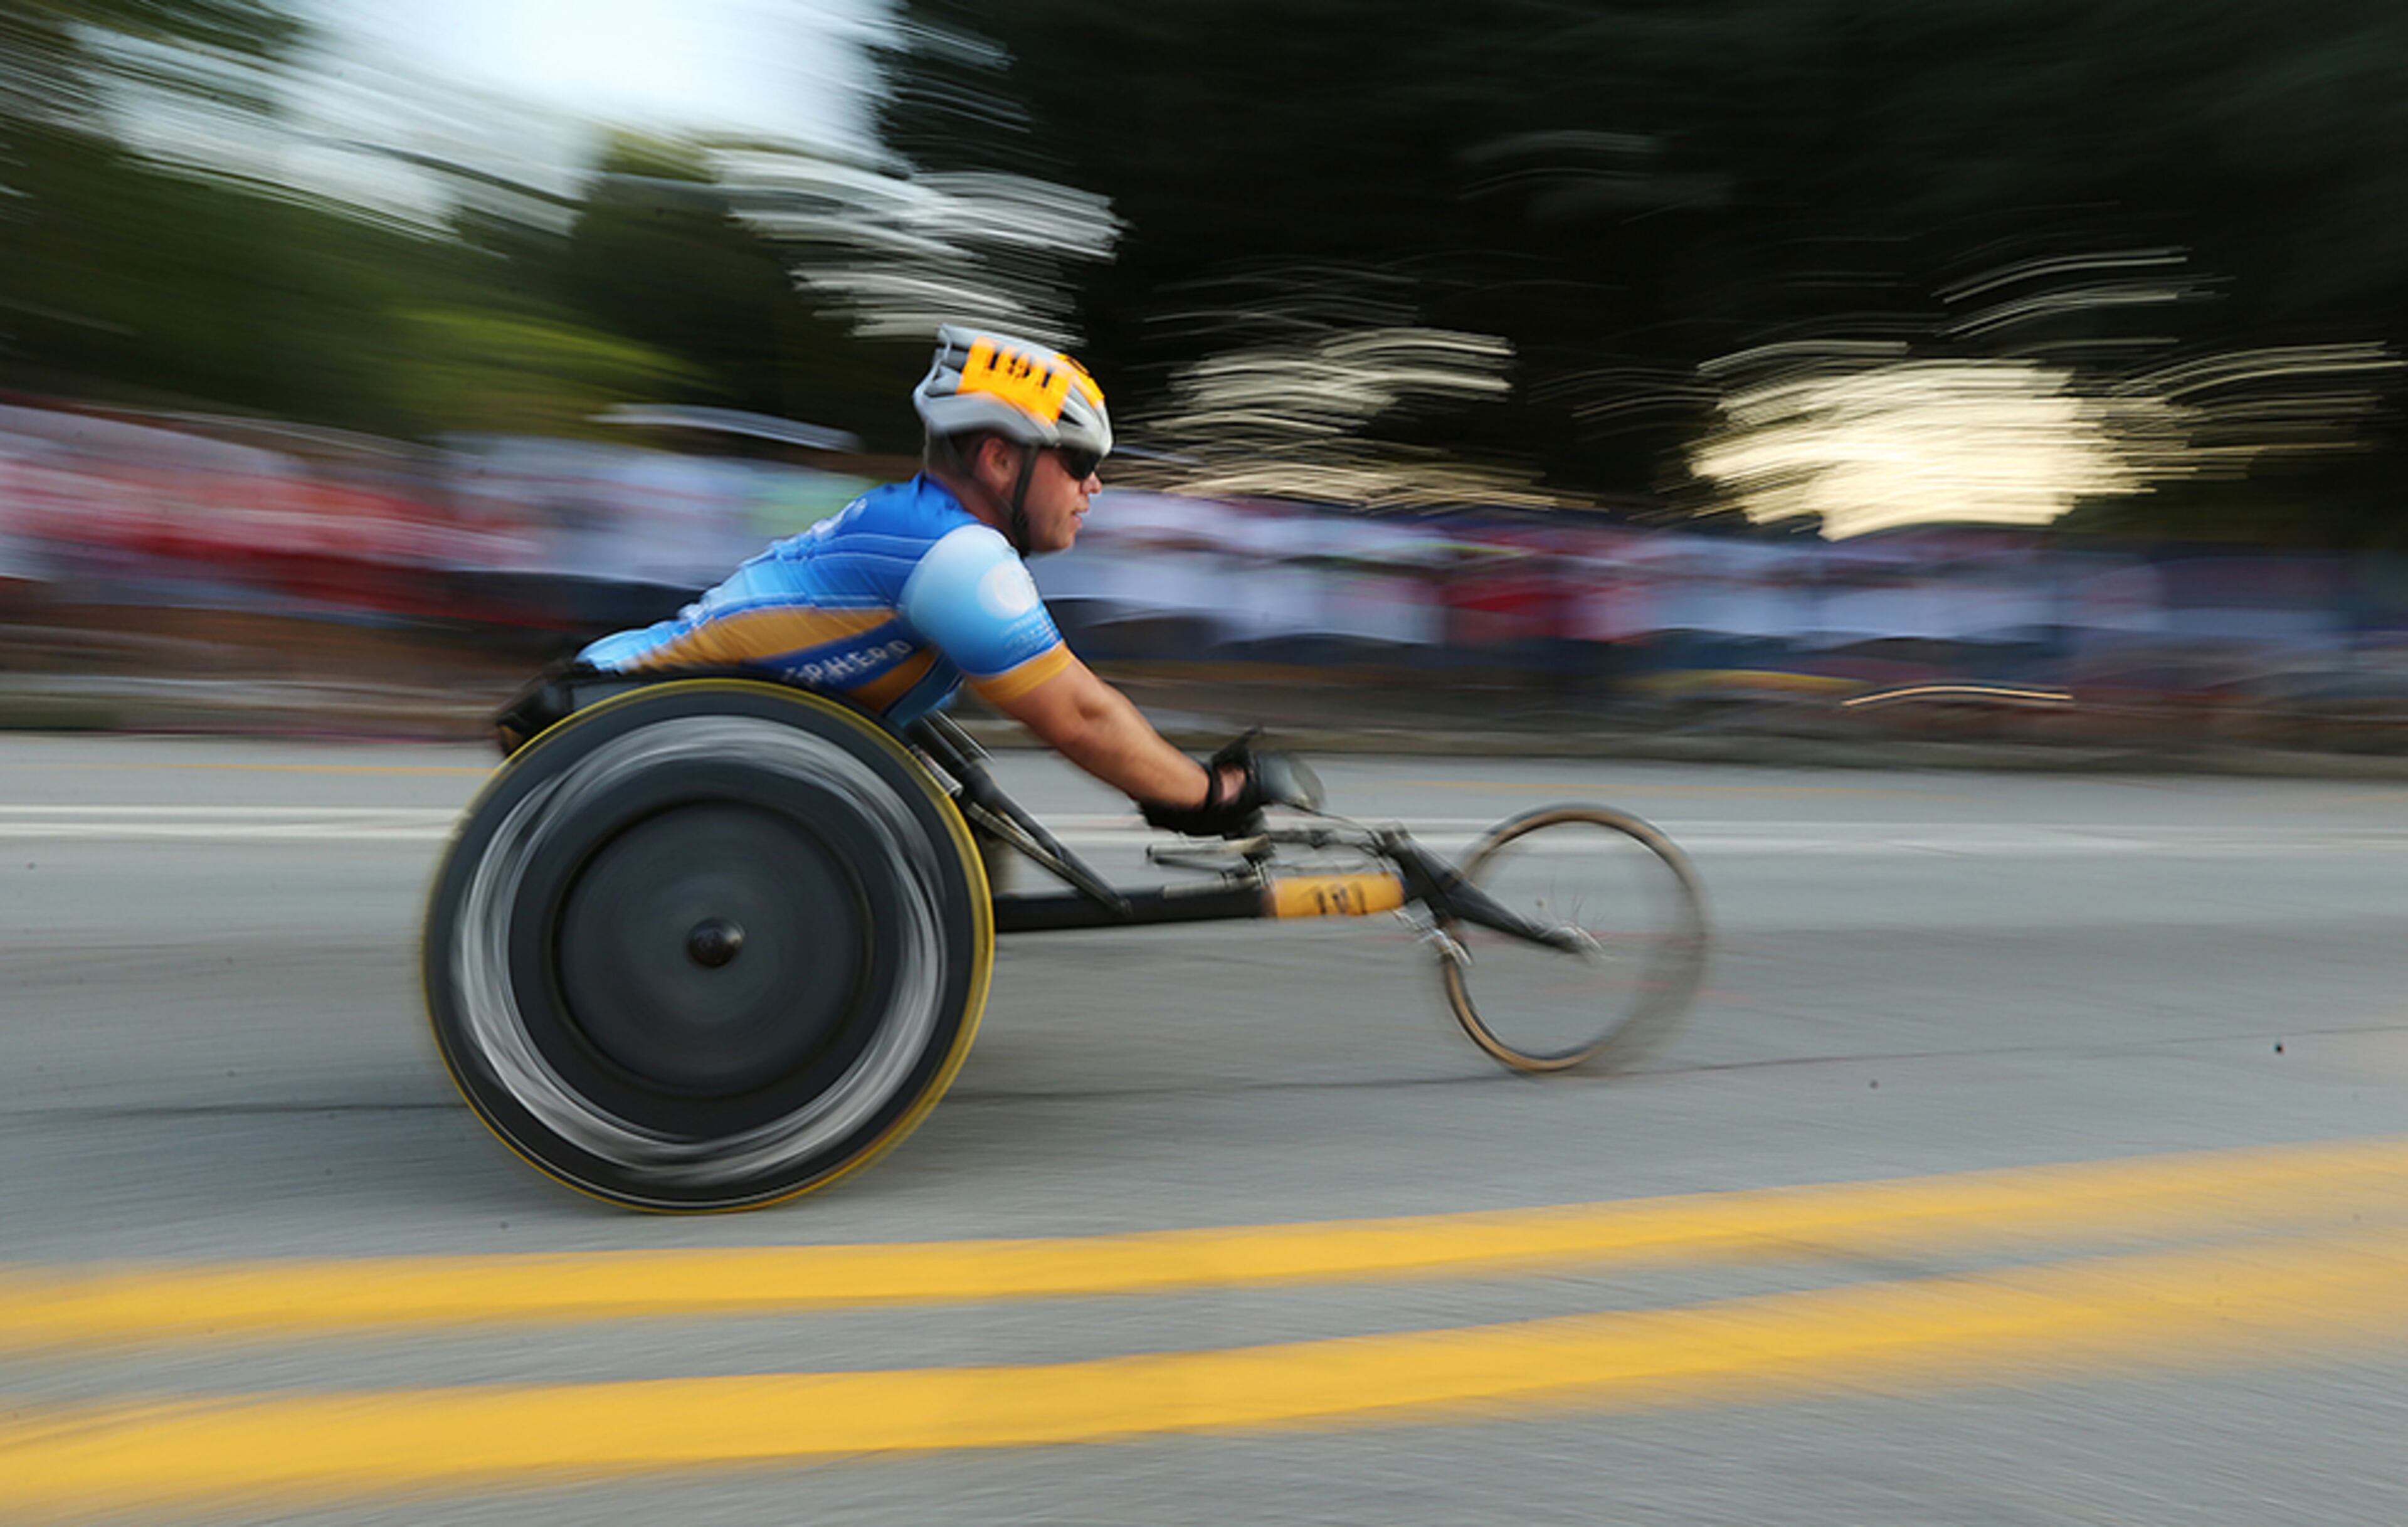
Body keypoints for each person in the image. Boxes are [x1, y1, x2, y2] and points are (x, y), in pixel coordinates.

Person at [556, 325, 1262, 838]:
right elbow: (1081, 717)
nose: (1095, 485)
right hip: (609, 730)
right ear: (1000, 460)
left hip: (623, 716)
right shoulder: (957, 556)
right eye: (1078, 460)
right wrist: (1206, 794)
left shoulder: (917, 524)